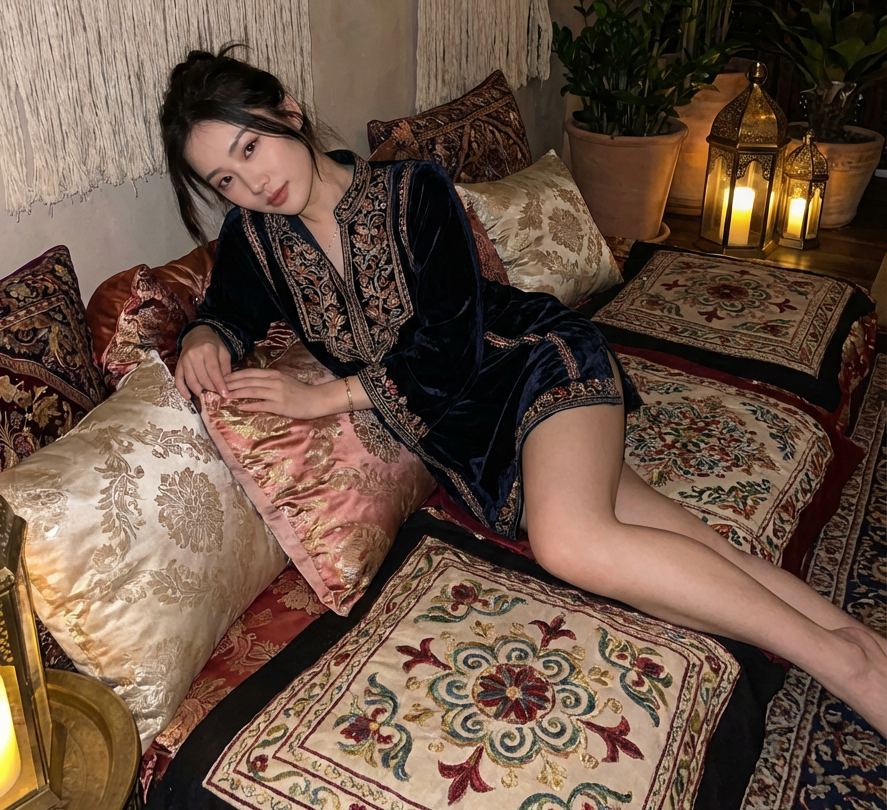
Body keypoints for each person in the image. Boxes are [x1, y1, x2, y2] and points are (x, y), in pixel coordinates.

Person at [162, 47, 887, 738]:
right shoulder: (254, 240)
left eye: (250, 148)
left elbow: (449, 344)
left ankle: (842, 666)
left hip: (530, 366)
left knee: (572, 542)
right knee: (680, 540)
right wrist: (204, 336)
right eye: (224, 179)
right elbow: (228, 309)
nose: (251, 184)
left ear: (288, 111)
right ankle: (859, 643)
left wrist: (325, 398)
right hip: (475, 446)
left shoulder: (413, 191)